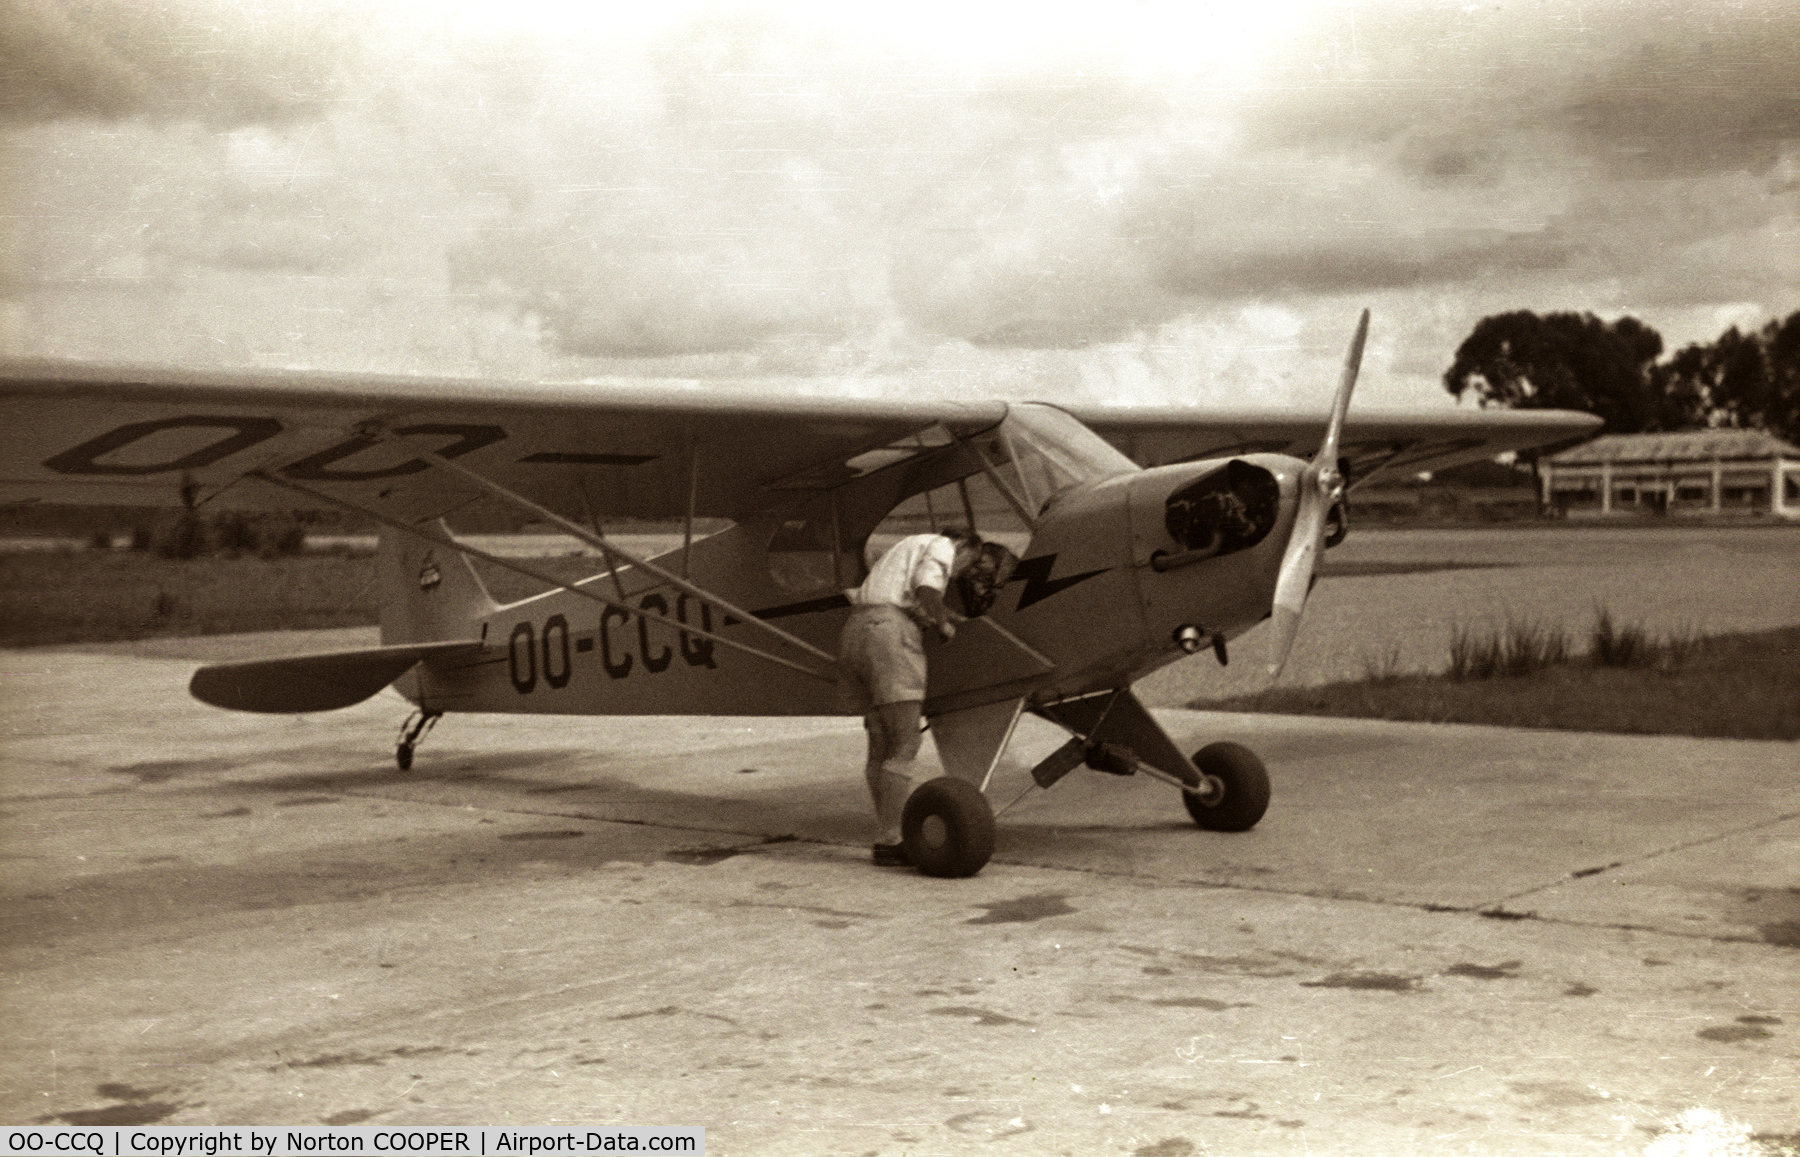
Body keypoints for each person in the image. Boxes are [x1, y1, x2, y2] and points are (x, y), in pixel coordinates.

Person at [838, 526, 982, 866]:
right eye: (966, 564)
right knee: (905, 743)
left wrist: (946, 615)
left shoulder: (904, 547)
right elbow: (927, 590)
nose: (959, 572)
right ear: (963, 546)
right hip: (888, 636)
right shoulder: (942, 546)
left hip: (856, 633)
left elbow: (909, 597)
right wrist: (944, 626)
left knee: (881, 745)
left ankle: (888, 835)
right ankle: (892, 838)